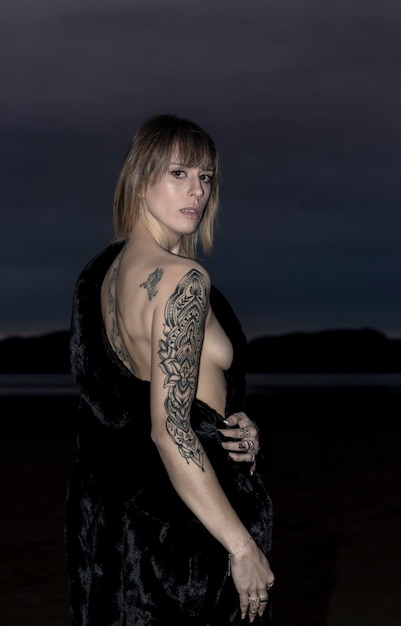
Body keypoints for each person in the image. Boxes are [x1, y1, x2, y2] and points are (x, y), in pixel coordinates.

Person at [64, 113, 275, 625]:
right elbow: (169, 429)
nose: (197, 191)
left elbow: (140, 397)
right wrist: (241, 547)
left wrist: (231, 422)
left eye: (206, 177)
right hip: (186, 525)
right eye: (178, 173)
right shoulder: (182, 279)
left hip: (124, 520)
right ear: (140, 178)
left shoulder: (105, 273)